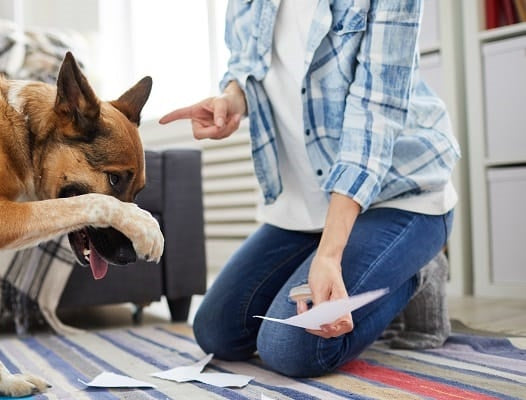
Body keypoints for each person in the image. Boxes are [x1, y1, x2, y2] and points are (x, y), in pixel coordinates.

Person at [160, 0, 460, 378]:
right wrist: (231, 100)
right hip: (306, 207)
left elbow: (374, 117)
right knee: (217, 331)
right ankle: (358, 260)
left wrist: (330, 256)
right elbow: (245, 65)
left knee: (291, 348)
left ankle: (417, 270)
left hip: (400, 195)